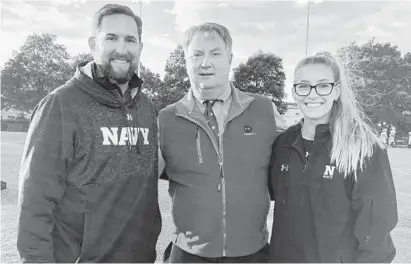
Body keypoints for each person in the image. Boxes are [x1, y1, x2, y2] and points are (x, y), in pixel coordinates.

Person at [17, 4, 161, 263]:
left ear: (140, 47)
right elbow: (34, 202)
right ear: (93, 44)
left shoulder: (146, 107)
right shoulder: (61, 104)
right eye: (111, 38)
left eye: (130, 40)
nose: (122, 48)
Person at [158, 22, 287, 263]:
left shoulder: (264, 109)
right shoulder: (166, 118)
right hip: (188, 253)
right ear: (186, 60)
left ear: (230, 57)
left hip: (252, 252)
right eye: (197, 54)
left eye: (215, 53)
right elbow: (137, 185)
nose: (205, 62)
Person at [268, 52, 398, 263]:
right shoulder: (282, 143)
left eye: (322, 85)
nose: (312, 94)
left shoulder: (363, 148)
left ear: (336, 90)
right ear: (294, 92)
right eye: (303, 86)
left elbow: (376, 238)